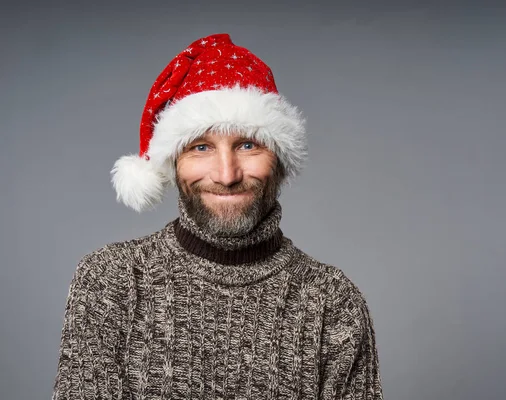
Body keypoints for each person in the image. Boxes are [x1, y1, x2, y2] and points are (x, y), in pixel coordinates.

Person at [52, 33, 384, 400]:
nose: (227, 175)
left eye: (247, 144)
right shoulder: (113, 281)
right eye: (201, 147)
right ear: (173, 162)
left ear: (280, 159)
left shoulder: (333, 302)